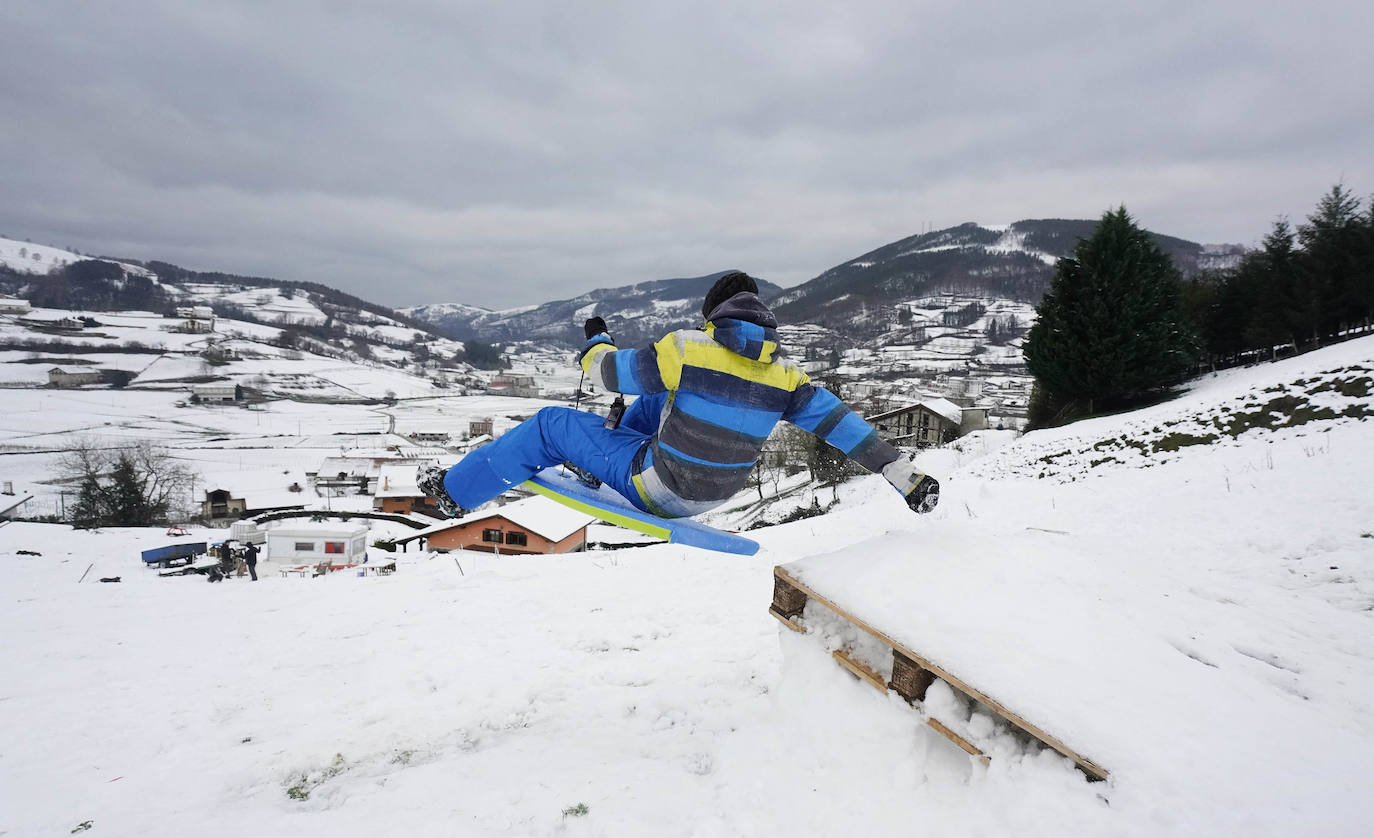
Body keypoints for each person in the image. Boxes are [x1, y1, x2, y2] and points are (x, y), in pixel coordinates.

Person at [420, 271, 939, 521]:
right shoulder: (786, 376)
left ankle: (453, 494)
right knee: (658, 404)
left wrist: (596, 339)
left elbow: (607, 374)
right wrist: (904, 476)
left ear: (713, 317)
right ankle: (601, 458)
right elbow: (846, 428)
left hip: (663, 488)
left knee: (549, 425)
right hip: (717, 493)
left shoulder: (689, 349)